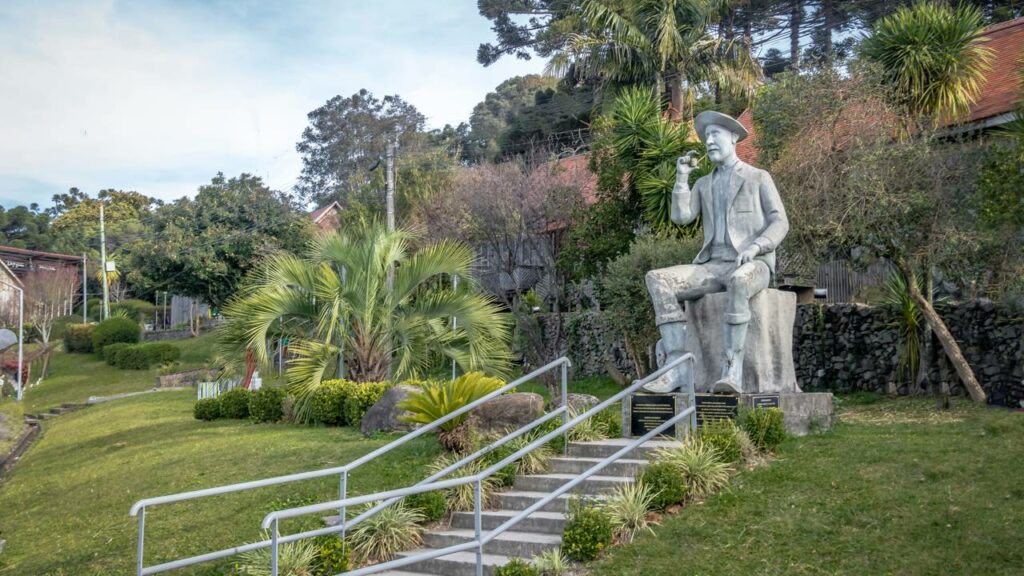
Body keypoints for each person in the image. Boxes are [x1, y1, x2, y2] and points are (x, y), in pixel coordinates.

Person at [643, 110, 789, 393]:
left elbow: (780, 221)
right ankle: (676, 368)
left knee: (738, 281)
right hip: (712, 266)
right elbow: (681, 217)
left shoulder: (757, 177)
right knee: (658, 279)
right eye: (706, 136)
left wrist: (758, 246)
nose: (709, 141)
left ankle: (732, 369)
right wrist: (681, 179)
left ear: (733, 137)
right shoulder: (704, 184)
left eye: (715, 134)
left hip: (753, 264)